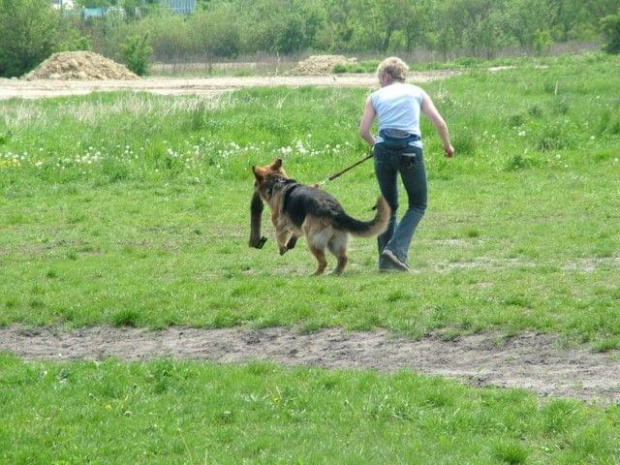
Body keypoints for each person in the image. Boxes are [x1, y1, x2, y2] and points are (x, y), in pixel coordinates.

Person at [359, 56, 454, 272]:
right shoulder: (417, 92)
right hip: (410, 150)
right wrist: (448, 146)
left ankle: (386, 261)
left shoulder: (375, 96)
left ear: (385, 76)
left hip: (384, 150)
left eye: (379, 79)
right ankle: (395, 251)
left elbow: (363, 131)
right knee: (418, 204)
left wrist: (376, 146)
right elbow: (440, 123)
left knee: (389, 206)